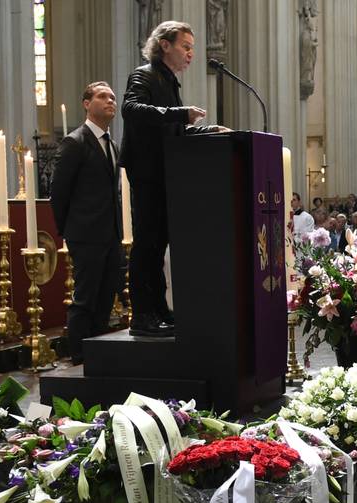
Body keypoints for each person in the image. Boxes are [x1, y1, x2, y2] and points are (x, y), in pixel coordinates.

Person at [120, 20, 226, 337]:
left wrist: (208, 131)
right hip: (147, 170)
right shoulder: (144, 74)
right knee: (147, 244)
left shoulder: (169, 81)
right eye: (186, 46)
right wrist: (180, 114)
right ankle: (142, 314)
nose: (191, 54)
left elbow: (171, 131)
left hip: (165, 171)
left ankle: (159, 308)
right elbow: (131, 109)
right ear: (165, 45)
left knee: (158, 243)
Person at [50, 81, 124, 362]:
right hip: (86, 233)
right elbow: (59, 191)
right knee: (85, 298)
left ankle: (99, 353)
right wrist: (68, 231)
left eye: (113, 98)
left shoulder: (112, 145)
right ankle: (79, 356)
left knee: (106, 297)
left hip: (110, 233)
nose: (110, 102)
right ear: (86, 103)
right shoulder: (75, 141)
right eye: (103, 97)